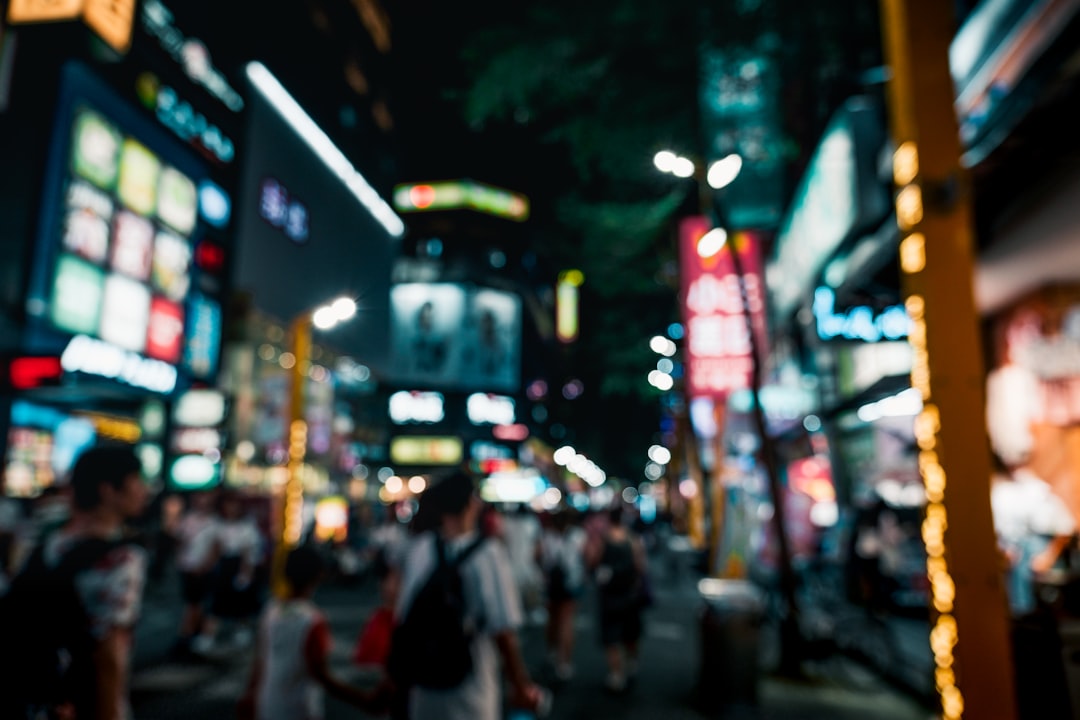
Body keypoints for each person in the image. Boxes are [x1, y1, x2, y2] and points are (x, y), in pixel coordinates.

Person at [0, 445, 149, 720]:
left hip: (29, 694)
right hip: (79, 700)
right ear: (108, 490)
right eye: (137, 481)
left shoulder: (41, 537)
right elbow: (109, 657)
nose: (145, 491)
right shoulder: (122, 559)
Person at [394, 470, 545, 720]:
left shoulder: (421, 548)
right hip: (471, 683)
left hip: (423, 682)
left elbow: (403, 616)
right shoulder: (488, 554)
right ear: (469, 503)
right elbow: (503, 630)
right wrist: (520, 684)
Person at [240, 545, 379, 720]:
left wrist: (250, 694)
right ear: (318, 575)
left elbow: (260, 661)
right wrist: (361, 699)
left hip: (268, 703)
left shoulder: (271, 610)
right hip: (299, 708)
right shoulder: (312, 620)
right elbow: (320, 674)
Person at [991, 462, 1076, 616]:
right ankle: (1019, 614)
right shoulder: (1002, 494)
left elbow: (1066, 529)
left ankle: (1025, 612)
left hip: (1041, 555)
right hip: (1015, 553)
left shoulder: (1040, 493)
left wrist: (1049, 556)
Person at [587, 504, 648, 693]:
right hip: (630, 593)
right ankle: (631, 663)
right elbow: (641, 566)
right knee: (631, 632)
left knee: (611, 636)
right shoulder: (633, 539)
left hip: (610, 594)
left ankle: (616, 674)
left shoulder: (602, 539)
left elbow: (592, 561)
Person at [197, 490, 262, 652]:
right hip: (223, 568)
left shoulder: (246, 526)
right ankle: (207, 637)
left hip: (238, 566)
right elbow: (215, 549)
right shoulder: (218, 525)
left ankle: (241, 631)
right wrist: (205, 566)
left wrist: (246, 573)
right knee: (217, 604)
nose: (231, 509)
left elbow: (248, 552)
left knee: (241, 603)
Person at [539, 509, 587, 681]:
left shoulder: (546, 536)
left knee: (552, 619)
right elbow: (587, 557)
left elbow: (537, 556)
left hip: (551, 583)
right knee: (567, 622)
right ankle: (564, 662)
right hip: (571, 583)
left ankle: (552, 652)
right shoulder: (579, 536)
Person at [174, 489, 220, 656]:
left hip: (203, 571)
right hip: (187, 568)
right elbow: (179, 541)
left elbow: (216, 548)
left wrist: (205, 566)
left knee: (199, 604)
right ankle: (188, 636)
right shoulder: (187, 520)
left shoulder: (214, 522)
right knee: (192, 604)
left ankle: (194, 636)